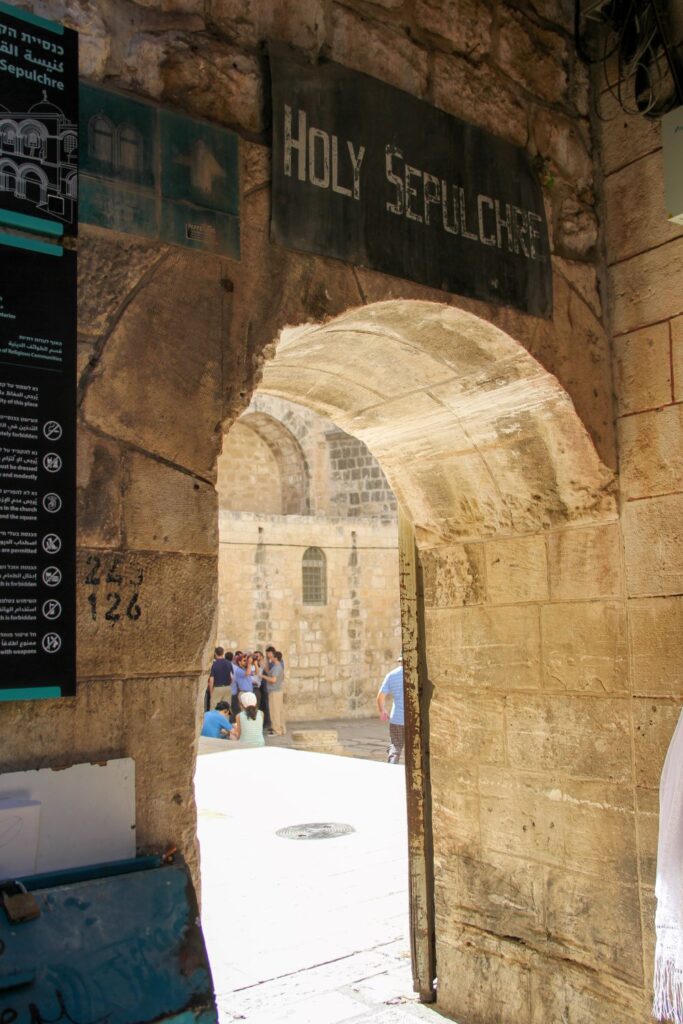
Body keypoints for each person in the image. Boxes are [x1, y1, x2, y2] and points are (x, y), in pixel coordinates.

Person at [377, 657, 405, 764]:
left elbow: (380, 697)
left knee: (396, 746)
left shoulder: (391, 675)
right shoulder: (417, 674)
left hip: (397, 719)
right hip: (415, 719)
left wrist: (383, 711)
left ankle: (391, 768)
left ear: (400, 661)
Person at [262, 650, 285, 736]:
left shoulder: (276, 667)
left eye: (272, 657)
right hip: (278, 691)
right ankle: (281, 729)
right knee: (279, 711)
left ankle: (276, 730)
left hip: (274, 692)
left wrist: (263, 676)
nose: (270, 658)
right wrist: (265, 666)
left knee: (274, 712)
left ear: (276, 658)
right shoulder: (278, 666)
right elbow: (270, 673)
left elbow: (273, 680)